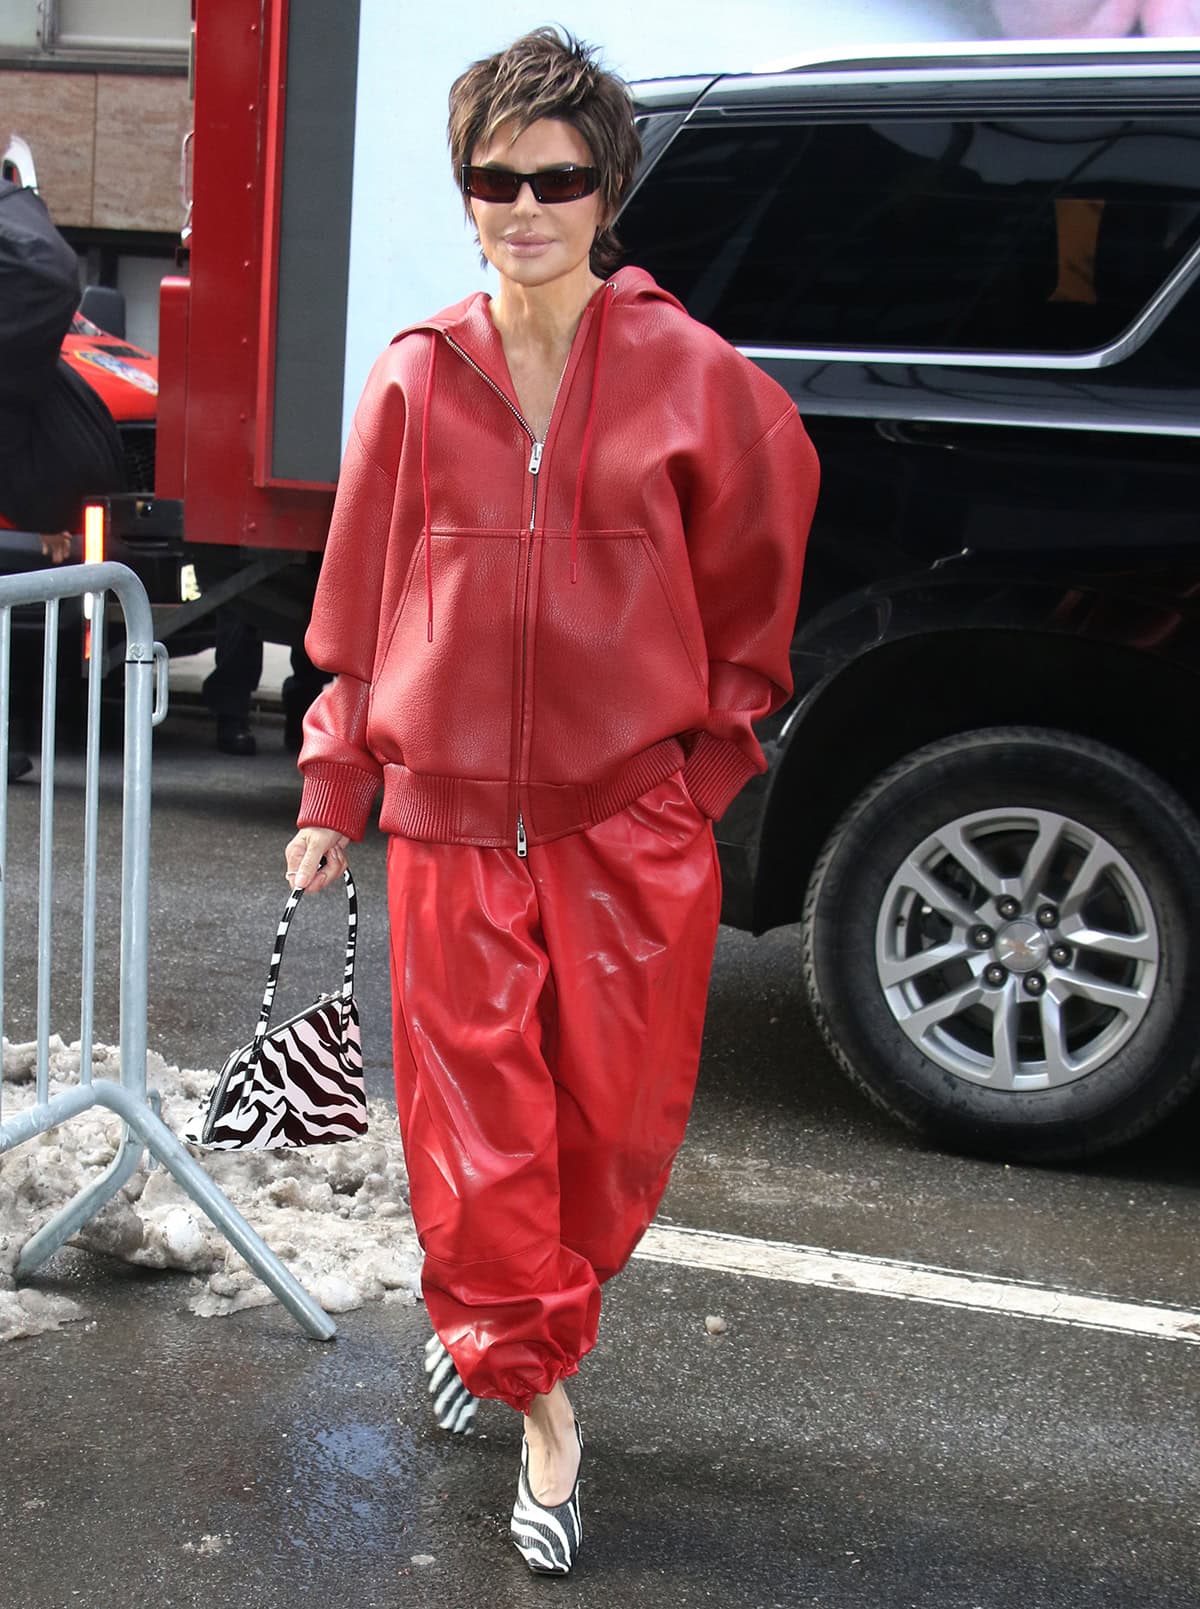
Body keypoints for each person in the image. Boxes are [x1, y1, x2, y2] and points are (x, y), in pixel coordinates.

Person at [284, 27, 819, 1575]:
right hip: (451, 820)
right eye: (495, 178)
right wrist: (338, 784)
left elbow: (753, 593)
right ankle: (540, 1406)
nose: (525, 205)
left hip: (623, 826)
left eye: (557, 177)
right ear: (466, 193)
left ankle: (514, 1323)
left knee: (609, 1138)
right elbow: (361, 611)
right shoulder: (411, 376)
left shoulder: (696, 380)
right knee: (478, 1132)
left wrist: (700, 770)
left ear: (607, 191)